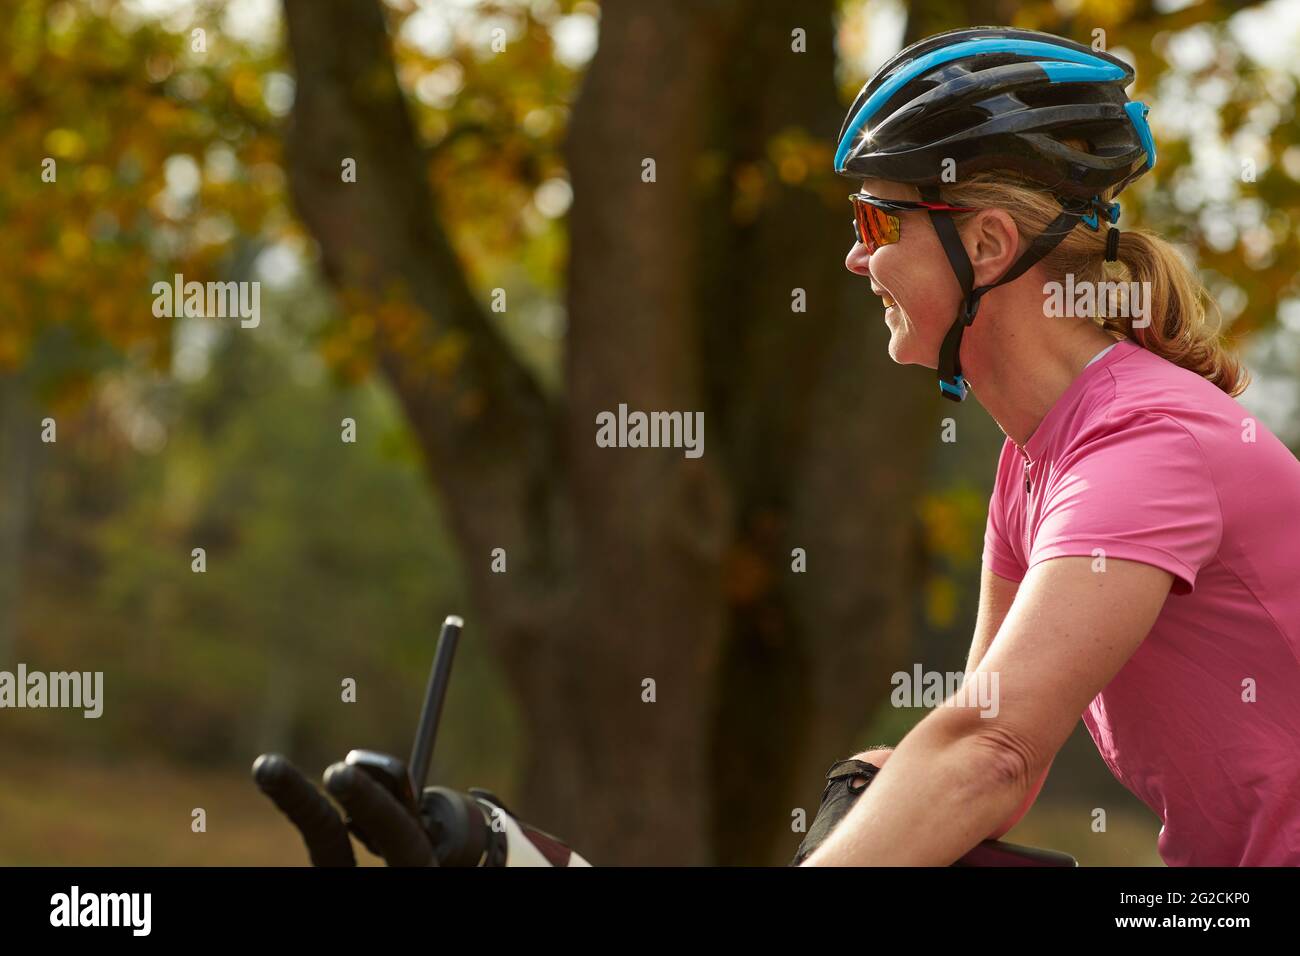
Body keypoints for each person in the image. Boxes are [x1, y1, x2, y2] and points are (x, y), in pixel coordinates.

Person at [799, 26, 1300, 866]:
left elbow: (993, 756)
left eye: (879, 219)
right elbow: (988, 744)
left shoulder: (1143, 445)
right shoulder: (1038, 460)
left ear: (987, 244)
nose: (856, 256)